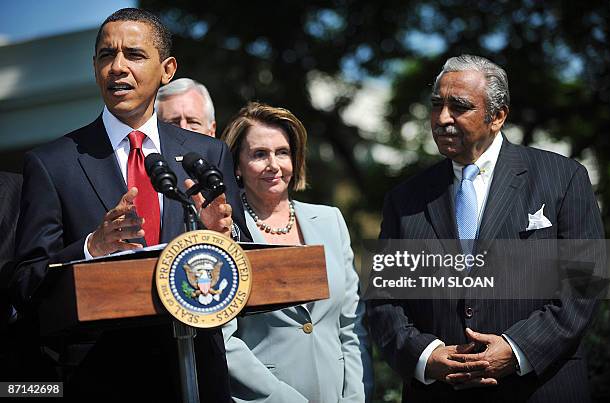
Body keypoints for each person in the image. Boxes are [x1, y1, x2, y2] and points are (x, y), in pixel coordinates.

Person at [10, 8, 250, 401]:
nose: (117, 67)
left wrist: (219, 235)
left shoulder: (208, 154)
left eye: (134, 55)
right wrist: (92, 248)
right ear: (94, 67)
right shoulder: (52, 164)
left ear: (167, 69)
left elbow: (240, 260)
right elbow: (25, 281)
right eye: (107, 55)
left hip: (197, 369)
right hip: (100, 376)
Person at [367, 55, 604, 402]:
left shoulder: (563, 178)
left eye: (459, 107)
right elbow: (383, 298)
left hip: (540, 389)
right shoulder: (405, 199)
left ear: (498, 116)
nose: (442, 118)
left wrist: (517, 348)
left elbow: (586, 283)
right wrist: (425, 355)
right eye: (436, 105)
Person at [220, 102, 373, 402]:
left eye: (282, 152)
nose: (273, 164)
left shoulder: (331, 220)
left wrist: (355, 396)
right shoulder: (225, 232)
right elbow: (224, 340)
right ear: (237, 166)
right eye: (259, 154)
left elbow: (351, 325)